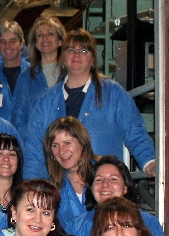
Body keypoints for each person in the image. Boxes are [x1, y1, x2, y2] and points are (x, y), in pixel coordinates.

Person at [24, 29, 155, 181]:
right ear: (63, 58)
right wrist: (32, 183)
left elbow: (134, 130)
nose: (77, 55)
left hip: (103, 185)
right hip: (60, 187)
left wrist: (149, 160)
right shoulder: (47, 100)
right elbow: (34, 146)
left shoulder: (113, 92)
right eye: (71, 50)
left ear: (93, 59)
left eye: (84, 50)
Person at [72, 155, 167, 236]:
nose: (105, 184)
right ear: (91, 188)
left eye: (113, 179)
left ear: (125, 187)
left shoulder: (148, 223)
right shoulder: (76, 226)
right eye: (99, 180)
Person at [45, 117, 96, 233]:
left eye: (67, 143)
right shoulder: (53, 189)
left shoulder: (105, 176)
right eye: (55, 145)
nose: (61, 151)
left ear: (82, 143)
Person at [0, 21, 37, 134]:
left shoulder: (35, 75)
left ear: (21, 44)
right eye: (3, 42)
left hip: (27, 139)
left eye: (12, 41)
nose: (7, 46)